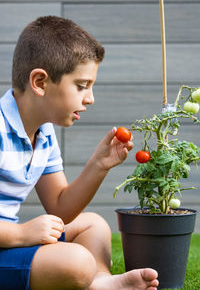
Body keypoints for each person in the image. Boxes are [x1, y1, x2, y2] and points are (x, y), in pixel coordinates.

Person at [0, 15, 159, 290]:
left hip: (10, 241)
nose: (90, 98)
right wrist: (20, 233)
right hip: (9, 238)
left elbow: (61, 207)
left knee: (93, 225)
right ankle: (91, 281)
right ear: (40, 82)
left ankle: (99, 281)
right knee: (76, 262)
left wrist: (99, 165)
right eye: (82, 86)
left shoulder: (44, 132)